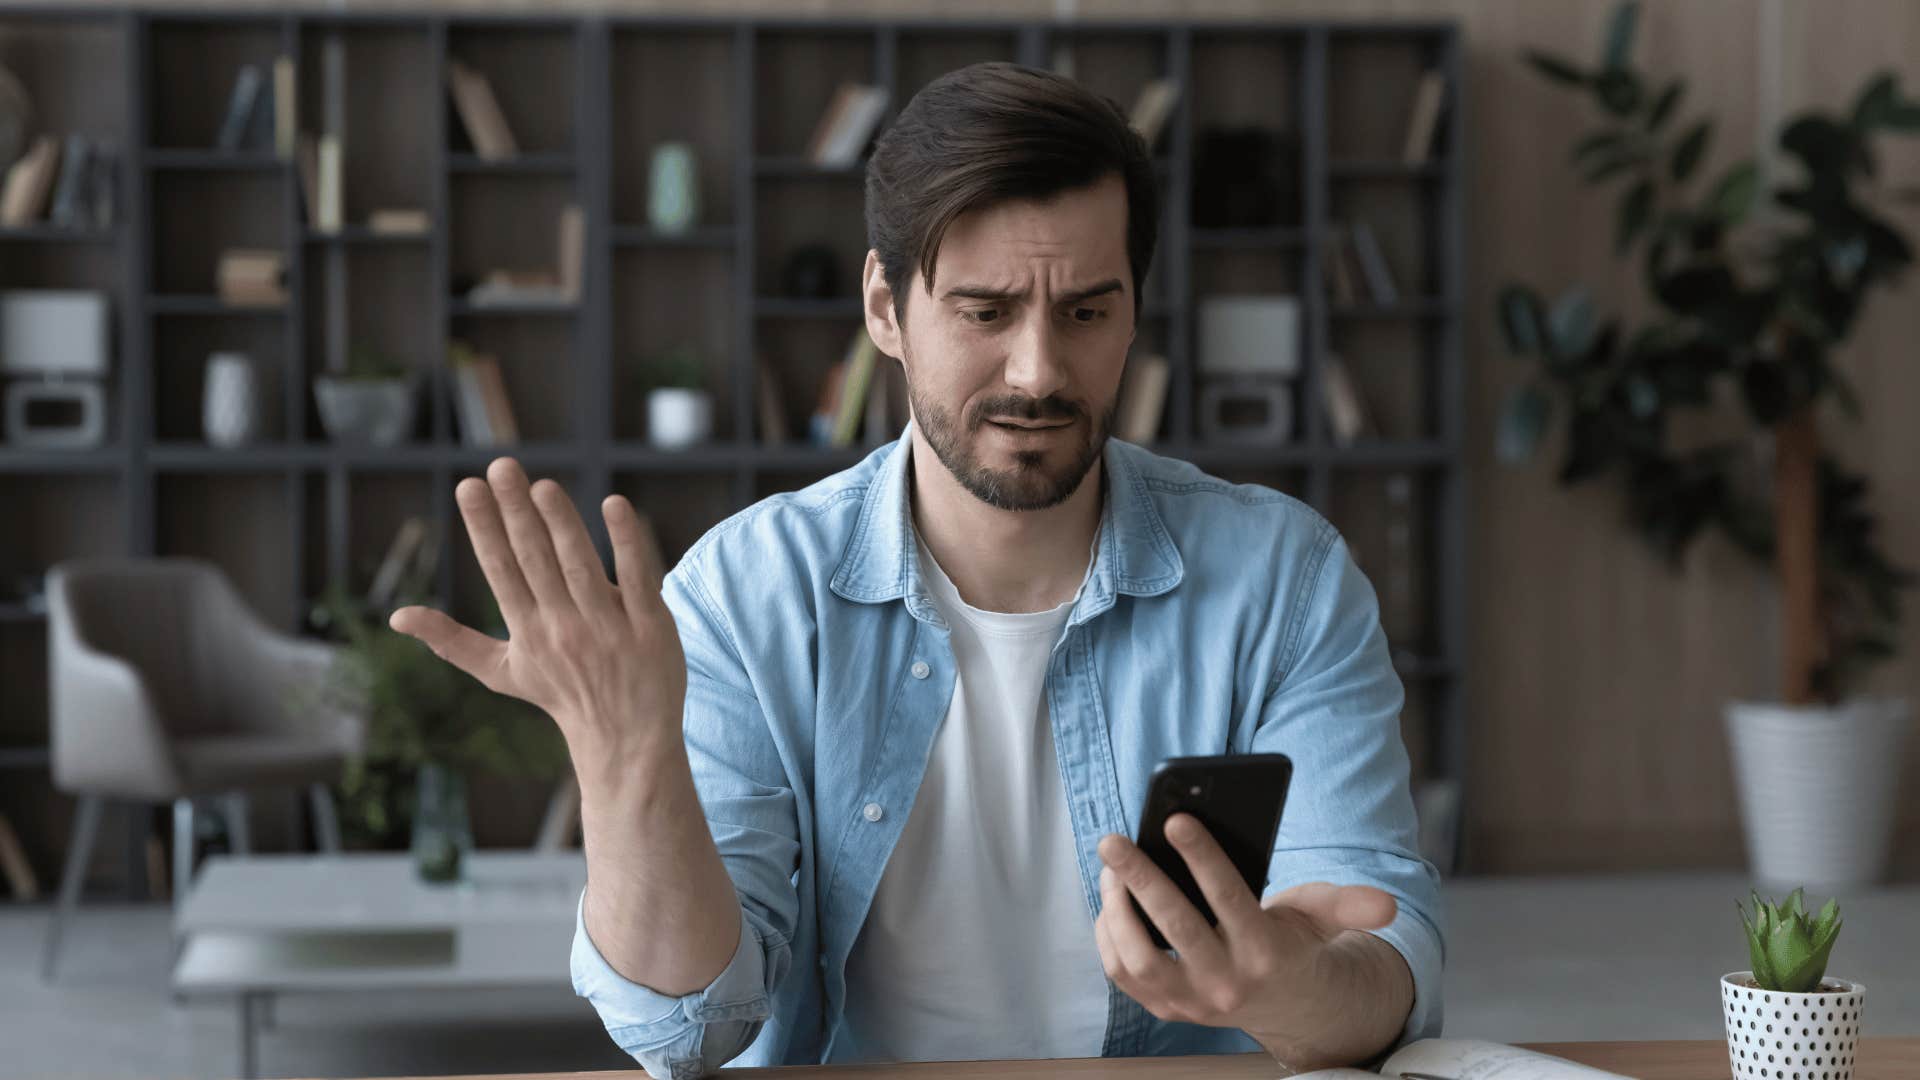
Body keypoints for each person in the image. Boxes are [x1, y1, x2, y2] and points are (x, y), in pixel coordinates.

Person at [390, 60, 1443, 1079]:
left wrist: (1275, 986)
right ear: (886, 310)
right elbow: (683, 1038)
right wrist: (625, 764)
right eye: (985, 312)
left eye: (1086, 311)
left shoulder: (1284, 582)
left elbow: (1385, 979)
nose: (1038, 371)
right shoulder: (744, 598)